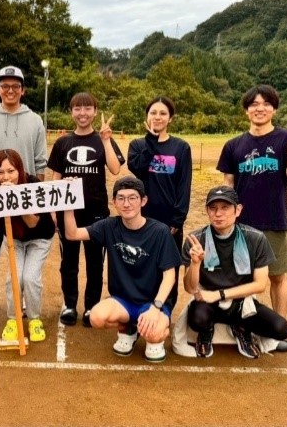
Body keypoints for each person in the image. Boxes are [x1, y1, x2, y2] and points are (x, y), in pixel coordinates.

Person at [216, 85, 287, 352]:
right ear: (247, 110)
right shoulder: (234, 145)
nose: (260, 108)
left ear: (274, 109)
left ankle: (277, 332)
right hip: (242, 225)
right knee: (242, 279)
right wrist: (226, 218)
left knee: (277, 277)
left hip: (275, 220)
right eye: (254, 104)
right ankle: (242, 327)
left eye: (266, 104)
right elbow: (228, 185)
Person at [63, 176, 180, 362]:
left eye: (133, 198)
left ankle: (157, 334)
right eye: (121, 198)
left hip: (153, 303)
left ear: (143, 201)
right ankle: (128, 328)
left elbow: (169, 275)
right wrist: (67, 203)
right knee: (96, 317)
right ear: (114, 202)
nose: (127, 204)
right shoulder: (109, 226)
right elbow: (72, 234)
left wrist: (155, 307)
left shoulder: (160, 231)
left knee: (154, 334)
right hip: (124, 301)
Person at [0, 65, 47, 316]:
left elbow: (40, 162)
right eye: (5, 86)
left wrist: (37, 197)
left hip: (23, 192)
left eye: (15, 86)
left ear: (23, 90)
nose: (10, 90)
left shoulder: (35, 120)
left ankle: (20, 295)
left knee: (21, 243)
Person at [181, 185, 287, 359]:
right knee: (198, 319)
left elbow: (260, 284)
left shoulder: (255, 238)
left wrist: (220, 294)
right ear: (207, 211)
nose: (218, 213)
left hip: (240, 301)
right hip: (207, 302)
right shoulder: (196, 240)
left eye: (225, 207)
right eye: (213, 208)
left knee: (281, 329)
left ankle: (241, 328)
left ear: (238, 210)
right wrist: (195, 264)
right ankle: (206, 331)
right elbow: (190, 288)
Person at [48, 92, 124, 327]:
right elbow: (55, 178)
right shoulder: (63, 143)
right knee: (68, 263)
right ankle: (69, 304)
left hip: (97, 213)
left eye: (88, 108)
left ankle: (91, 306)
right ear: (71, 112)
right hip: (69, 214)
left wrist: (106, 140)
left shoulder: (103, 140)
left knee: (95, 264)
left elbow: (115, 169)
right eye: (77, 108)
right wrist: (54, 210)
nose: (83, 113)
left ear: (95, 111)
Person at [0, 149, 55, 342]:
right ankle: (13, 319)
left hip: (39, 238)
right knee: (14, 278)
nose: (6, 177)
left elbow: (32, 223)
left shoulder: (32, 183)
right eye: (0, 172)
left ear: (20, 169)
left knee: (30, 278)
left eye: (11, 171)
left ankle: (34, 319)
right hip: (14, 239)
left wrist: (15, 198)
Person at [127, 96, 192, 323]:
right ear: (147, 116)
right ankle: (138, 312)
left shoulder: (181, 147)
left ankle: (164, 314)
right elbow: (138, 168)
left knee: (168, 269)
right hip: (141, 219)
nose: (157, 117)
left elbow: (184, 185)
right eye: (153, 113)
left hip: (169, 222)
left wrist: (177, 220)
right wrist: (151, 141)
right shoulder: (138, 145)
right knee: (141, 265)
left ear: (170, 118)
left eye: (163, 113)